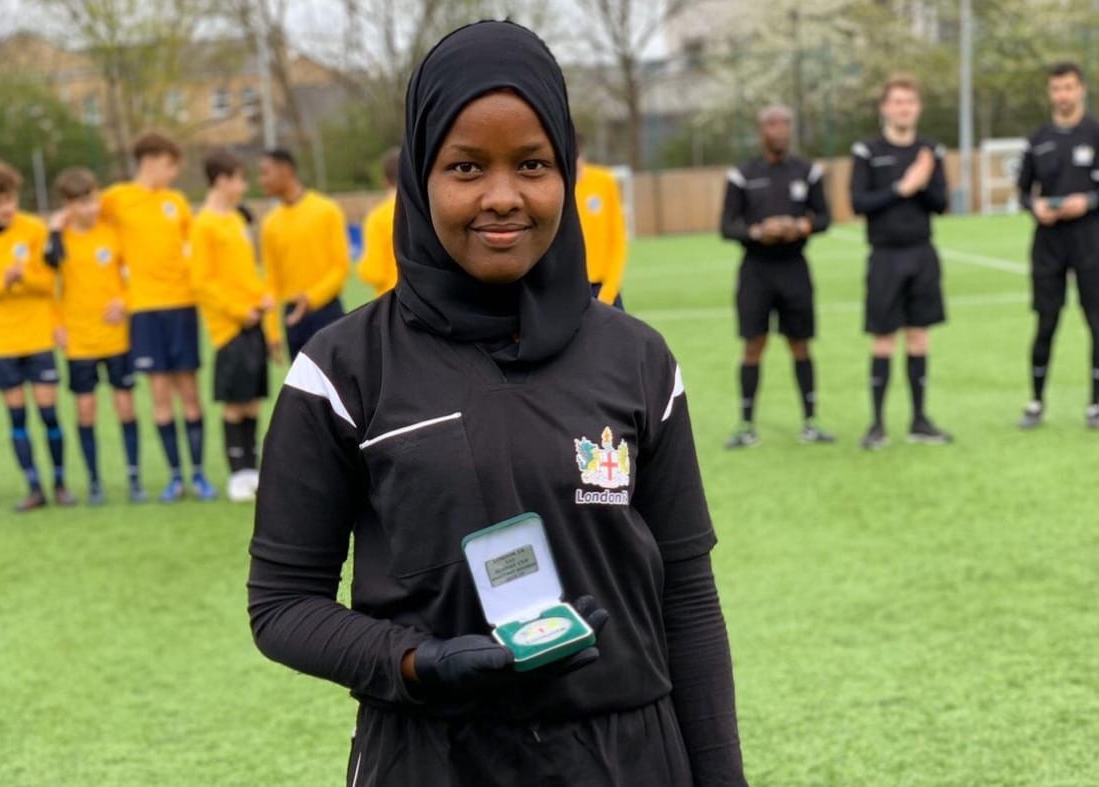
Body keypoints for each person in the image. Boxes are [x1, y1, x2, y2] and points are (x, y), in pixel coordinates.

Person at [248, 20, 746, 787]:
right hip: (430, 756)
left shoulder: (638, 358)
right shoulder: (342, 368)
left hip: (628, 759)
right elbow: (282, 605)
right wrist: (417, 661)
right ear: (419, 177)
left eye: (533, 164)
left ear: (567, 174)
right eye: (467, 166)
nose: (504, 197)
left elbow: (688, 599)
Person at [101, 131, 215, 502]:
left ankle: (198, 475)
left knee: (189, 392)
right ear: (150, 161)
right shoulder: (116, 199)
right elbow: (81, 225)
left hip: (182, 306)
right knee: (160, 395)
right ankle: (174, 477)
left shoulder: (177, 202)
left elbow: (194, 250)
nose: (173, 173)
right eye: (170, 165)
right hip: (144, 312)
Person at [1016, 62, 1099, 430]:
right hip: (1049, 241)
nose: (1063, 95)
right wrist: (1033, 207)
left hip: (1089, 238)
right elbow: (1021, 191)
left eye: (1069, 87)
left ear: (1081, 89)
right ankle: (1035, 402)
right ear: (1050, 94)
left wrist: (1090, 201)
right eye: (1056, 89)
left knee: (1096, 317)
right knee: (1046, 320)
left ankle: (1096, 406)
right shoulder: (1037, 140)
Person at [0, 162, 75, 511]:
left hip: (38, 336)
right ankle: (34, 487)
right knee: (17, 417)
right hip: (2, 342)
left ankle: (60, 482)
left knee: (49, 412)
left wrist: (22, 278)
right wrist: (1, 283)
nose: (5, 207)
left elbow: (50, 282)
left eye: (8, 199)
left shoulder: (35, 230)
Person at [720, 105, 833, 448]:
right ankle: (746, 425)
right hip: (756, 271)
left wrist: (799, 226)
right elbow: (727, 227)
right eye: (772, 123)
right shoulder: (742, 174)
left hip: (794, 268)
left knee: (800, 344)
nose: (780, 129)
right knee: (754, 344)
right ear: (761, 130)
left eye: (785, 123)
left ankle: (811, 422)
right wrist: (758, 232)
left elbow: (824, 218)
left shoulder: (807, 171)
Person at [851, 74, 952, 450]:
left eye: (909, 102)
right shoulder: (867, 151)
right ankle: (877, 424)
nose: (903, 108)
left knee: (919, 336)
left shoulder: (930, 151)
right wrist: (903, 187)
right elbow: (859, 203)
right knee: (883, 338)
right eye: (896, 101)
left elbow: (940, 204)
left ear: (918, 108)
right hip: (885, 257)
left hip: (922, 253)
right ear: (885, 108)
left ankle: (919, 420)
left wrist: (924, 183)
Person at [47, 167, 146, 505]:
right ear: (66, 206)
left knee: (125, 407)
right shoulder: (59, 241)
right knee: (86, 410)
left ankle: (134, 478)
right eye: (79, 204)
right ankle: (94, 482)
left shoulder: (113, 233)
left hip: (116, 337)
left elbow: (136, 278)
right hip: (79, 340)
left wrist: (126, 301)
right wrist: (56, 324)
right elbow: (48, 287)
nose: (87, 209)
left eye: (91, 201)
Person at [190, 150, 280, 502]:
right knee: (235, 402)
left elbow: (244, 274)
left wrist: (261, 300)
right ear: (222, 180)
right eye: (240, 179)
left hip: (254, 320)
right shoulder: (204, 224)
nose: (244, 186)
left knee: (254, 401)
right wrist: (237, 311)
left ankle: (252, 469)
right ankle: (236, 473)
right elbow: (202, 282)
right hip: (230, 327)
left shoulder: (236, 220)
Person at [259, 149, 350, 358]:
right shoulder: (269, 224)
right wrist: (272, 332)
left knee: (340, 387)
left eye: (265, 172)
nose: (261, 180)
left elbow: (341, 268)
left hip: (328, 312)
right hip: (293, 319)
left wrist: (310, 299)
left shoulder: (327, 210)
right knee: (302, 390)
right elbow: (272, 281)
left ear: (286, 171)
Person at [576, 131, 628, 309]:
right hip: (568, 292)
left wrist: (608, 291)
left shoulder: (604, 181)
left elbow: (618, 240)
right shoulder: (556, 189)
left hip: (603, 290)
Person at [356, 147, 400, 296]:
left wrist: (362, 267)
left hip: (394, 301)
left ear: (385, 181)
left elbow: (375, 272)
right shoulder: (429, 211)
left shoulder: (378, 218)